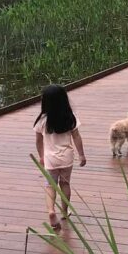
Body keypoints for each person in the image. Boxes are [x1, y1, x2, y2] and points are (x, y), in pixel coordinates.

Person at [33, 84, 86, 231]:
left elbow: (38, 141)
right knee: (65, 184)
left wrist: (41, 156)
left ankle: (51, 211)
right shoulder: (70, 117)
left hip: (50, 158)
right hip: (66, 158)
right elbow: (77, 137)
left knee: (50, 185)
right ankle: (64, 211)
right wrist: (81, 155)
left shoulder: (42, 120)